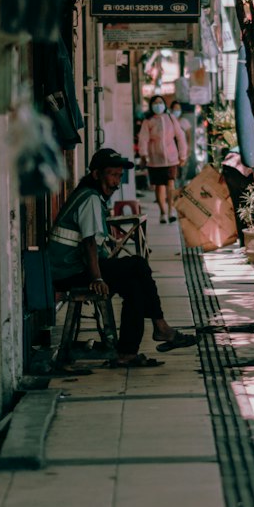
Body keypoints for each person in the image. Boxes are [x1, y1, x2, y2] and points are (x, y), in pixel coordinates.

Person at [48, 148, 195, 369]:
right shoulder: (89, 198)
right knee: (137, 264)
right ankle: (161, 325)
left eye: (119, 176)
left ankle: (127, 353)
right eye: (112, 175)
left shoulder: (91, 196)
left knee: (135, 286)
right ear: (96, 175)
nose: (116, 182)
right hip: (69, 272)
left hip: (74, 268)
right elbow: (89, 243)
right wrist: (97, 279)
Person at [136, 96, 187, 223]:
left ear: (164, 105)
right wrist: (143, 154)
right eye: (155, 103)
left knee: (170, 183)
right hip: (155, 159)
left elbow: (180, 136)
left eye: (160, 102)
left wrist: (183, 155)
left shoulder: (171, 118)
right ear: (151, 106)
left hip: (171, 158)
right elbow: (143, 139)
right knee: (159, 186)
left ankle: (171, 211)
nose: (158, 105)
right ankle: (162, 212)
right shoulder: (148, 121)